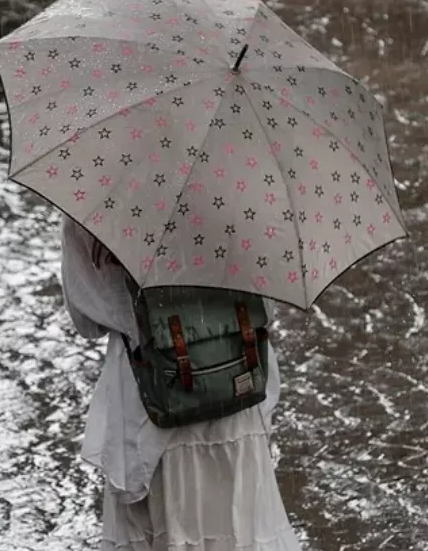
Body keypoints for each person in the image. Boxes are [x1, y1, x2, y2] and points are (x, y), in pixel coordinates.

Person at [60, 217, 302, 551]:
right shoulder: (243, 187)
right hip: (234, 382)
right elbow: (267, 302)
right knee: (241, 527)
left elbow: (86, 320)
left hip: (151, 400)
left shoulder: (96, 198)